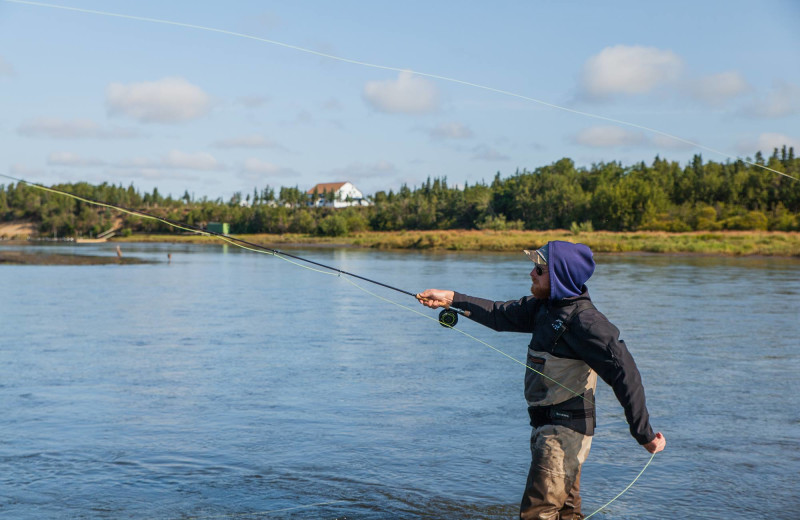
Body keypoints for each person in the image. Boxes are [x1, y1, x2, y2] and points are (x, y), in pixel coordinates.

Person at [416, 240, 665, 520]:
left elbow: (626, 373)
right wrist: (450, 297)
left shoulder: (588, 323)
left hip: (564, 435)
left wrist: (643, 433)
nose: (532, 274)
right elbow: (498, 315)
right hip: (548, 429)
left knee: (538, 514)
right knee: (567, 514)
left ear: (560, 276)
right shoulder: (543, 308)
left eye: (540, 269)